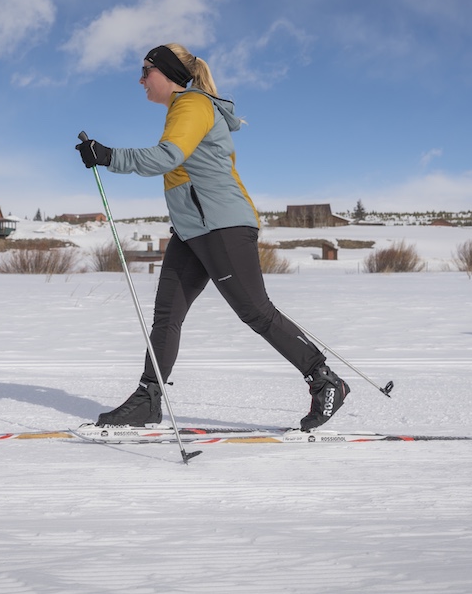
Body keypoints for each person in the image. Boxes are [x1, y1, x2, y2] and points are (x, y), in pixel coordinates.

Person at [75, 43, 349, 430]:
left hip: (222, 225)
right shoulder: (180, 109)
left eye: (145, 71)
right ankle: (149, 399)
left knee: (255, 311)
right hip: (191, 231)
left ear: (166, 73)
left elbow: (167, 157)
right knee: (167, 316)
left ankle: (325, 381)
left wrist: (108, 155)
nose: (140, 80)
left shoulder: (191, 105)